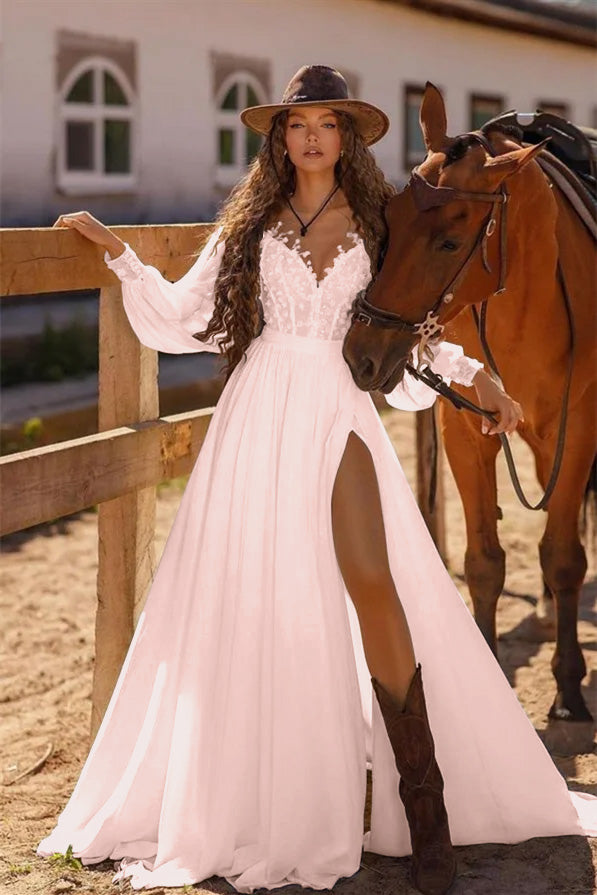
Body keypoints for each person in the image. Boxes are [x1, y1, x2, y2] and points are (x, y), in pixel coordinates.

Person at [38, 65, 595, 895]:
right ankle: (263, 790)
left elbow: (407, 317)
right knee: (256, 595)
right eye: (297, 125)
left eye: (326, 125)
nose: (310, 138)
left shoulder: (377, 222)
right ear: (278, 137)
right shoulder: (252, 222)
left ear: (347, 139)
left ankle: (425, 807)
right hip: (259, 411)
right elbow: (189, 313)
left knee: (374, 583)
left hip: (337, 409)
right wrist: (121, 255)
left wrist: (473, 376)